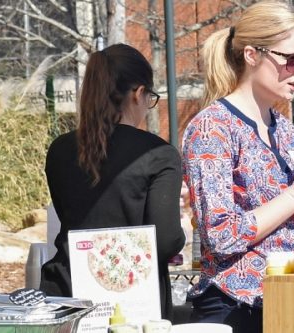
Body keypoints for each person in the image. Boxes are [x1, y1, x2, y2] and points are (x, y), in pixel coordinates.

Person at [181, 2, 294, 332]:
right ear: (252, 54)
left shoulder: (284, 129)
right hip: (235, 307)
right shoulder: (211, 128)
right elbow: (220, 236)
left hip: (289, 297)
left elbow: (280, 226)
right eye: (292, 59)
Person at [41, 43, 186, 319]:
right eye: (150, 98)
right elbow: (166, 240)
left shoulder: (60, 149)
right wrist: (181, 236)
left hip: (65, 296)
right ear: (138, 93)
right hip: (130, 303)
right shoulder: (158, 154)